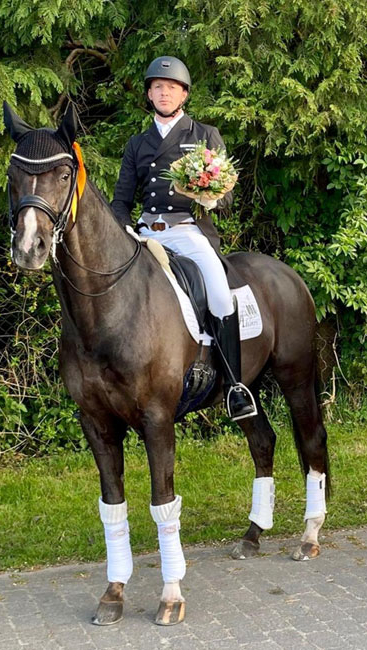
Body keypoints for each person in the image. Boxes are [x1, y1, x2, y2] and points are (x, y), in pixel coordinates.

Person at [112, 56, 255, 421]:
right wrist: (123, 230)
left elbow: (227, 197)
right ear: (148, 94)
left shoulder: (204, 135)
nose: (163, 92)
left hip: (188, 230)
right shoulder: (137, 143)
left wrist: (209, 194)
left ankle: (235, 387)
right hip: (146, 233)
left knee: (221, 295)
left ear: (183, 94)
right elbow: (121, 201)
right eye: (157, 87)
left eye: (171, 87)